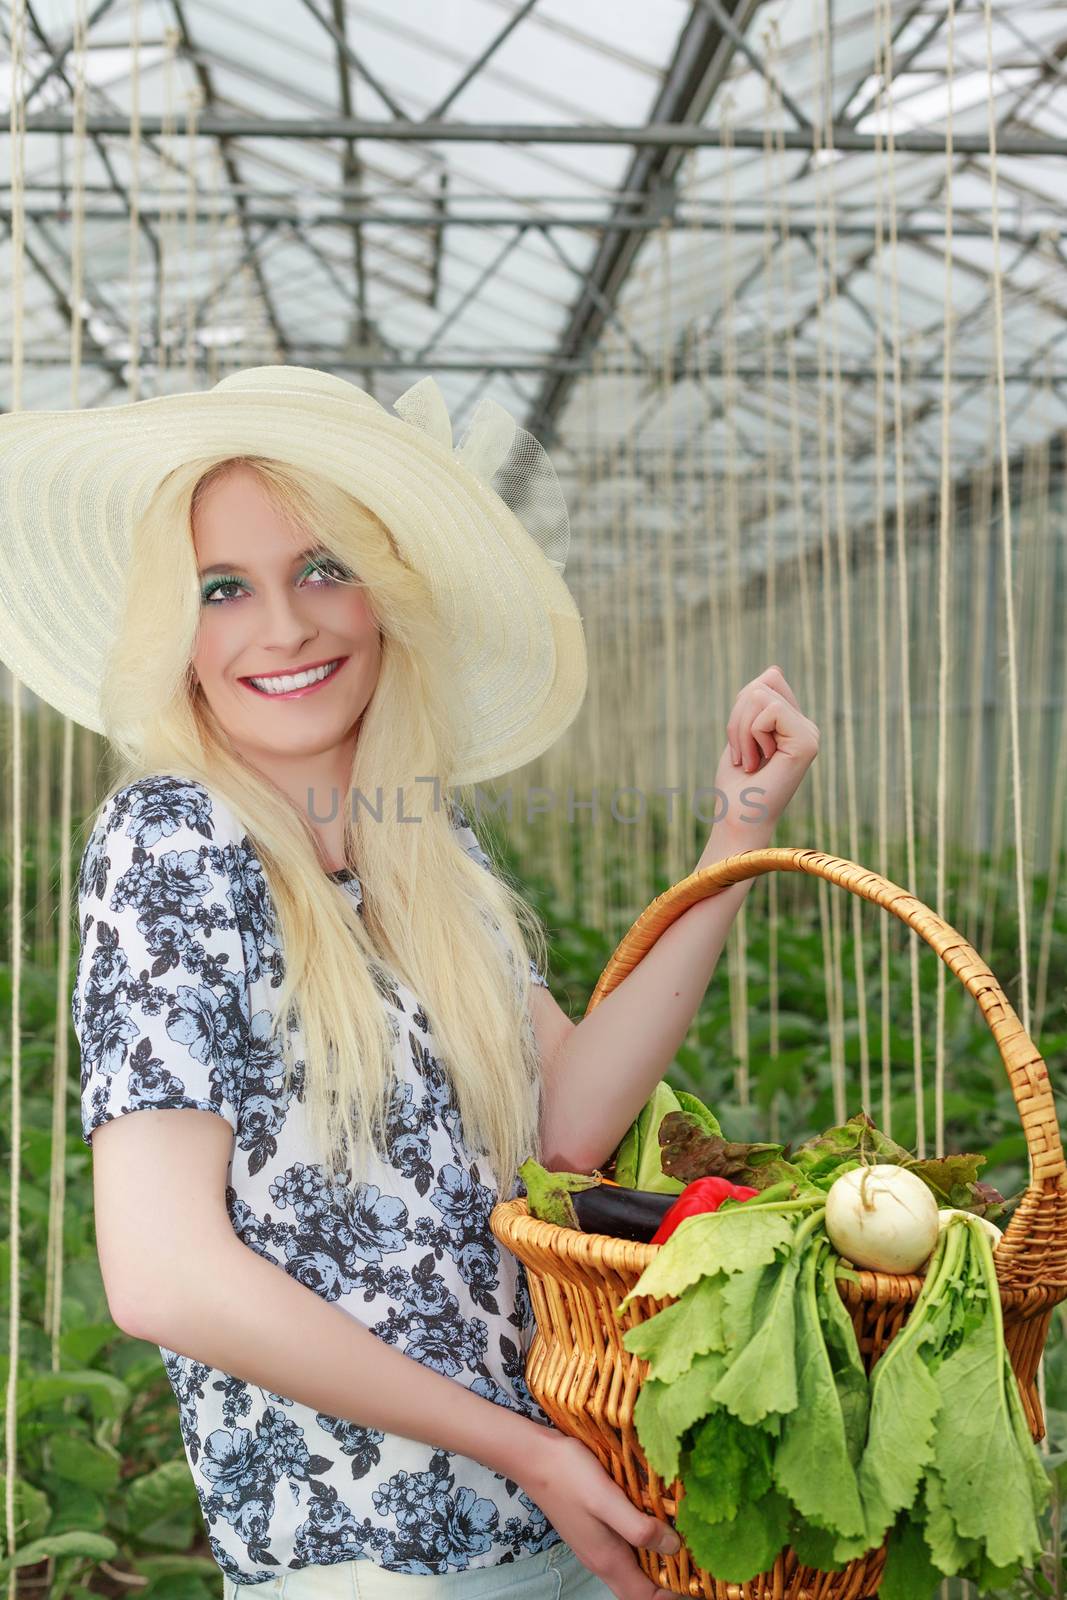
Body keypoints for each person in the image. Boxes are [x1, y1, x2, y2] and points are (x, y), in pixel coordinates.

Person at [0, 366, 692, 1598]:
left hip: (557, 1522)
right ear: (176, 635)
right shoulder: (175, 839)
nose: (284, 625)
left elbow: (567, 1120)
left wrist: (734, 842)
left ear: (384, 599)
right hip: (368, 1557)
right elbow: (162, 1271)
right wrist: (521, 1449)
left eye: (320, 568)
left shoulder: (421, 839)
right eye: (222, 589)